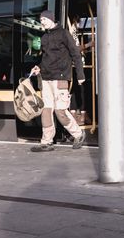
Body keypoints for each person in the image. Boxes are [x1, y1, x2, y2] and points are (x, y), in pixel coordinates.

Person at [29, 10, 86, 152]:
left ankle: (78, 134)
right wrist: (38, 68)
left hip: (60, 78)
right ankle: (46, 141)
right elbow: (45, 59)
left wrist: (80, 74)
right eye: (41, 20)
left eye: (44, 20)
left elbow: (75, 54)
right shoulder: (44, 37)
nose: (42, 22)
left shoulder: (64, 33)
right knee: (46, 110)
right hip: (46, 78)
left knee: (60, 111)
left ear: (51, 19)